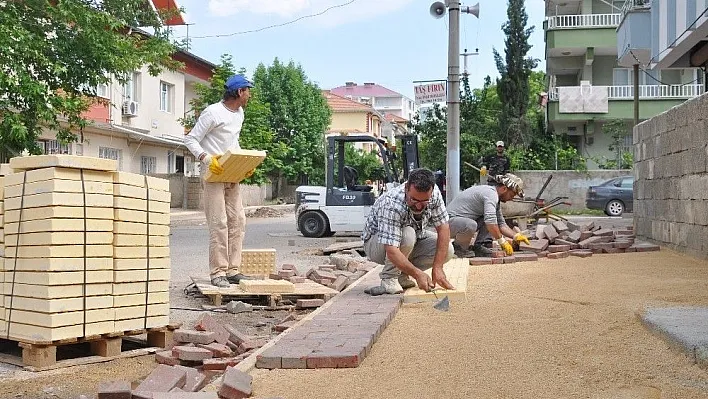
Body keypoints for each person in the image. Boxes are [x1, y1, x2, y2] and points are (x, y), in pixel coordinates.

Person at [184, 74, 257, 288]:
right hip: (213, 170)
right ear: (239, 92)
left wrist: (245, 163)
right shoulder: (212, 112)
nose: (249, 95)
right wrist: (206, 158)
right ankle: (218, 272)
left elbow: (233, 142)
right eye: (247, 91)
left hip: (231, 170)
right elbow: (190, 139)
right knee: (219, 222)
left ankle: (233, 270)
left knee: (238, 221)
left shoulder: (240, 113)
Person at [361, 168, 456, 296]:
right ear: (406, 188)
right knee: (408, 234)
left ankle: (402, 275)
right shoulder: (392, 203)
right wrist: (418, 274)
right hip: (376, 245)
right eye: (414, 200)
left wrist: (438, 267)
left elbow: (443, 228)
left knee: (448, 250)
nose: (418, 206)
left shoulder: (434, 194)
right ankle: (389, 278)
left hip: (412, 238)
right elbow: (391, 249)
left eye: (424, 202)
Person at [447, 173, 530, 258]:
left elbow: (501, 224)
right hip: (448, 224)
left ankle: (479, 246)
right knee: (473, 224)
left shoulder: (494, 198)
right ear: (504, 188)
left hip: (459, 223)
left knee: (488, 218)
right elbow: (490, 222)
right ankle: (458, 248)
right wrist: (502, 241)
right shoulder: (491, 194)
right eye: (511, 195)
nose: (511, 199)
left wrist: (515, 236)